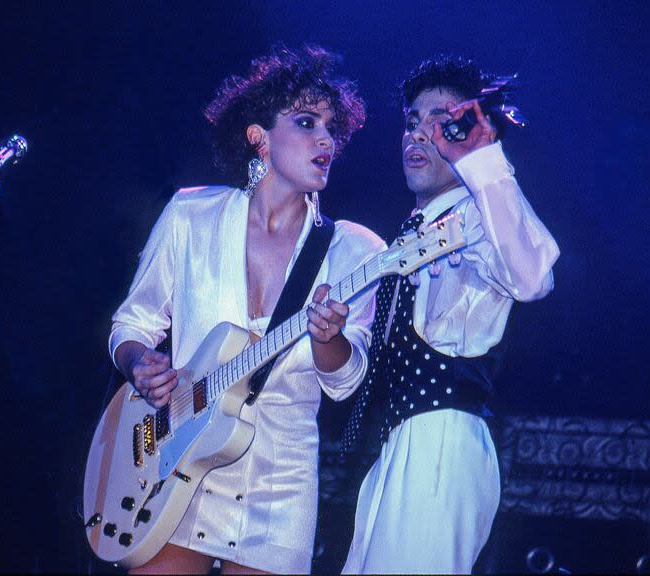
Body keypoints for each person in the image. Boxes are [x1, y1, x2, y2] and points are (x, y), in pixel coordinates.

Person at [109, 45, 385, 574]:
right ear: (258, 136)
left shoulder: (356, 250)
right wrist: (138, 362)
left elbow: (346, 383)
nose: (325, 138)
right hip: (174, 462)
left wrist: (329, 336)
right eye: (306, 122)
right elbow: (131, 323)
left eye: (333, 128)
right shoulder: (192, 215)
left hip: (279, 481)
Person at [342, 56, 560, 574]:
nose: (419, 134)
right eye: (412, 121)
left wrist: (483, 163)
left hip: (440, 444)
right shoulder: (409, 234)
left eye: (440, 121)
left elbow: (533, 277)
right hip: (398, 447)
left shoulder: (478, 214)